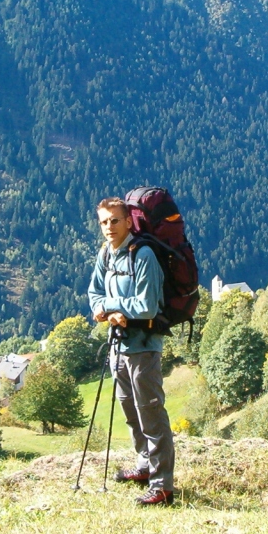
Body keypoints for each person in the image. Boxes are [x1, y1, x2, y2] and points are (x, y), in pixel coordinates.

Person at [88, 196, 175, 506]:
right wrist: (109, 312)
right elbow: (94, 293)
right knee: (129, 410)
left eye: (114, 220)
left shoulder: (144, 255)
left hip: (144, 347)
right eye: (103, 222)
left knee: (151, 414)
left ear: (128, 222)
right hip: (118, 345)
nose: (109, 226)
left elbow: (147, 306)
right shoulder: (106, 253)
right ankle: (143, 466)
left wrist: (111, 307)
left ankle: (162, 486)